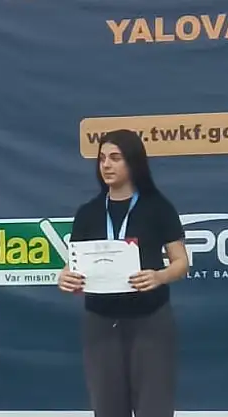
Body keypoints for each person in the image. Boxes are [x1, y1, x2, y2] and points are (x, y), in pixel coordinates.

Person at [57, 129, 189, 417]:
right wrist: (65, 276)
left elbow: (181, 262)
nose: (106, 165)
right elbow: (74, 264)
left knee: (154, 407)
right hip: (101, 323)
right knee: (107, 408)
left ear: (133, 162)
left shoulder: (158, 207)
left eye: (115, 158)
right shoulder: (88, 212)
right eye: (102, 158)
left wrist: (159, 276)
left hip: (150, 321)